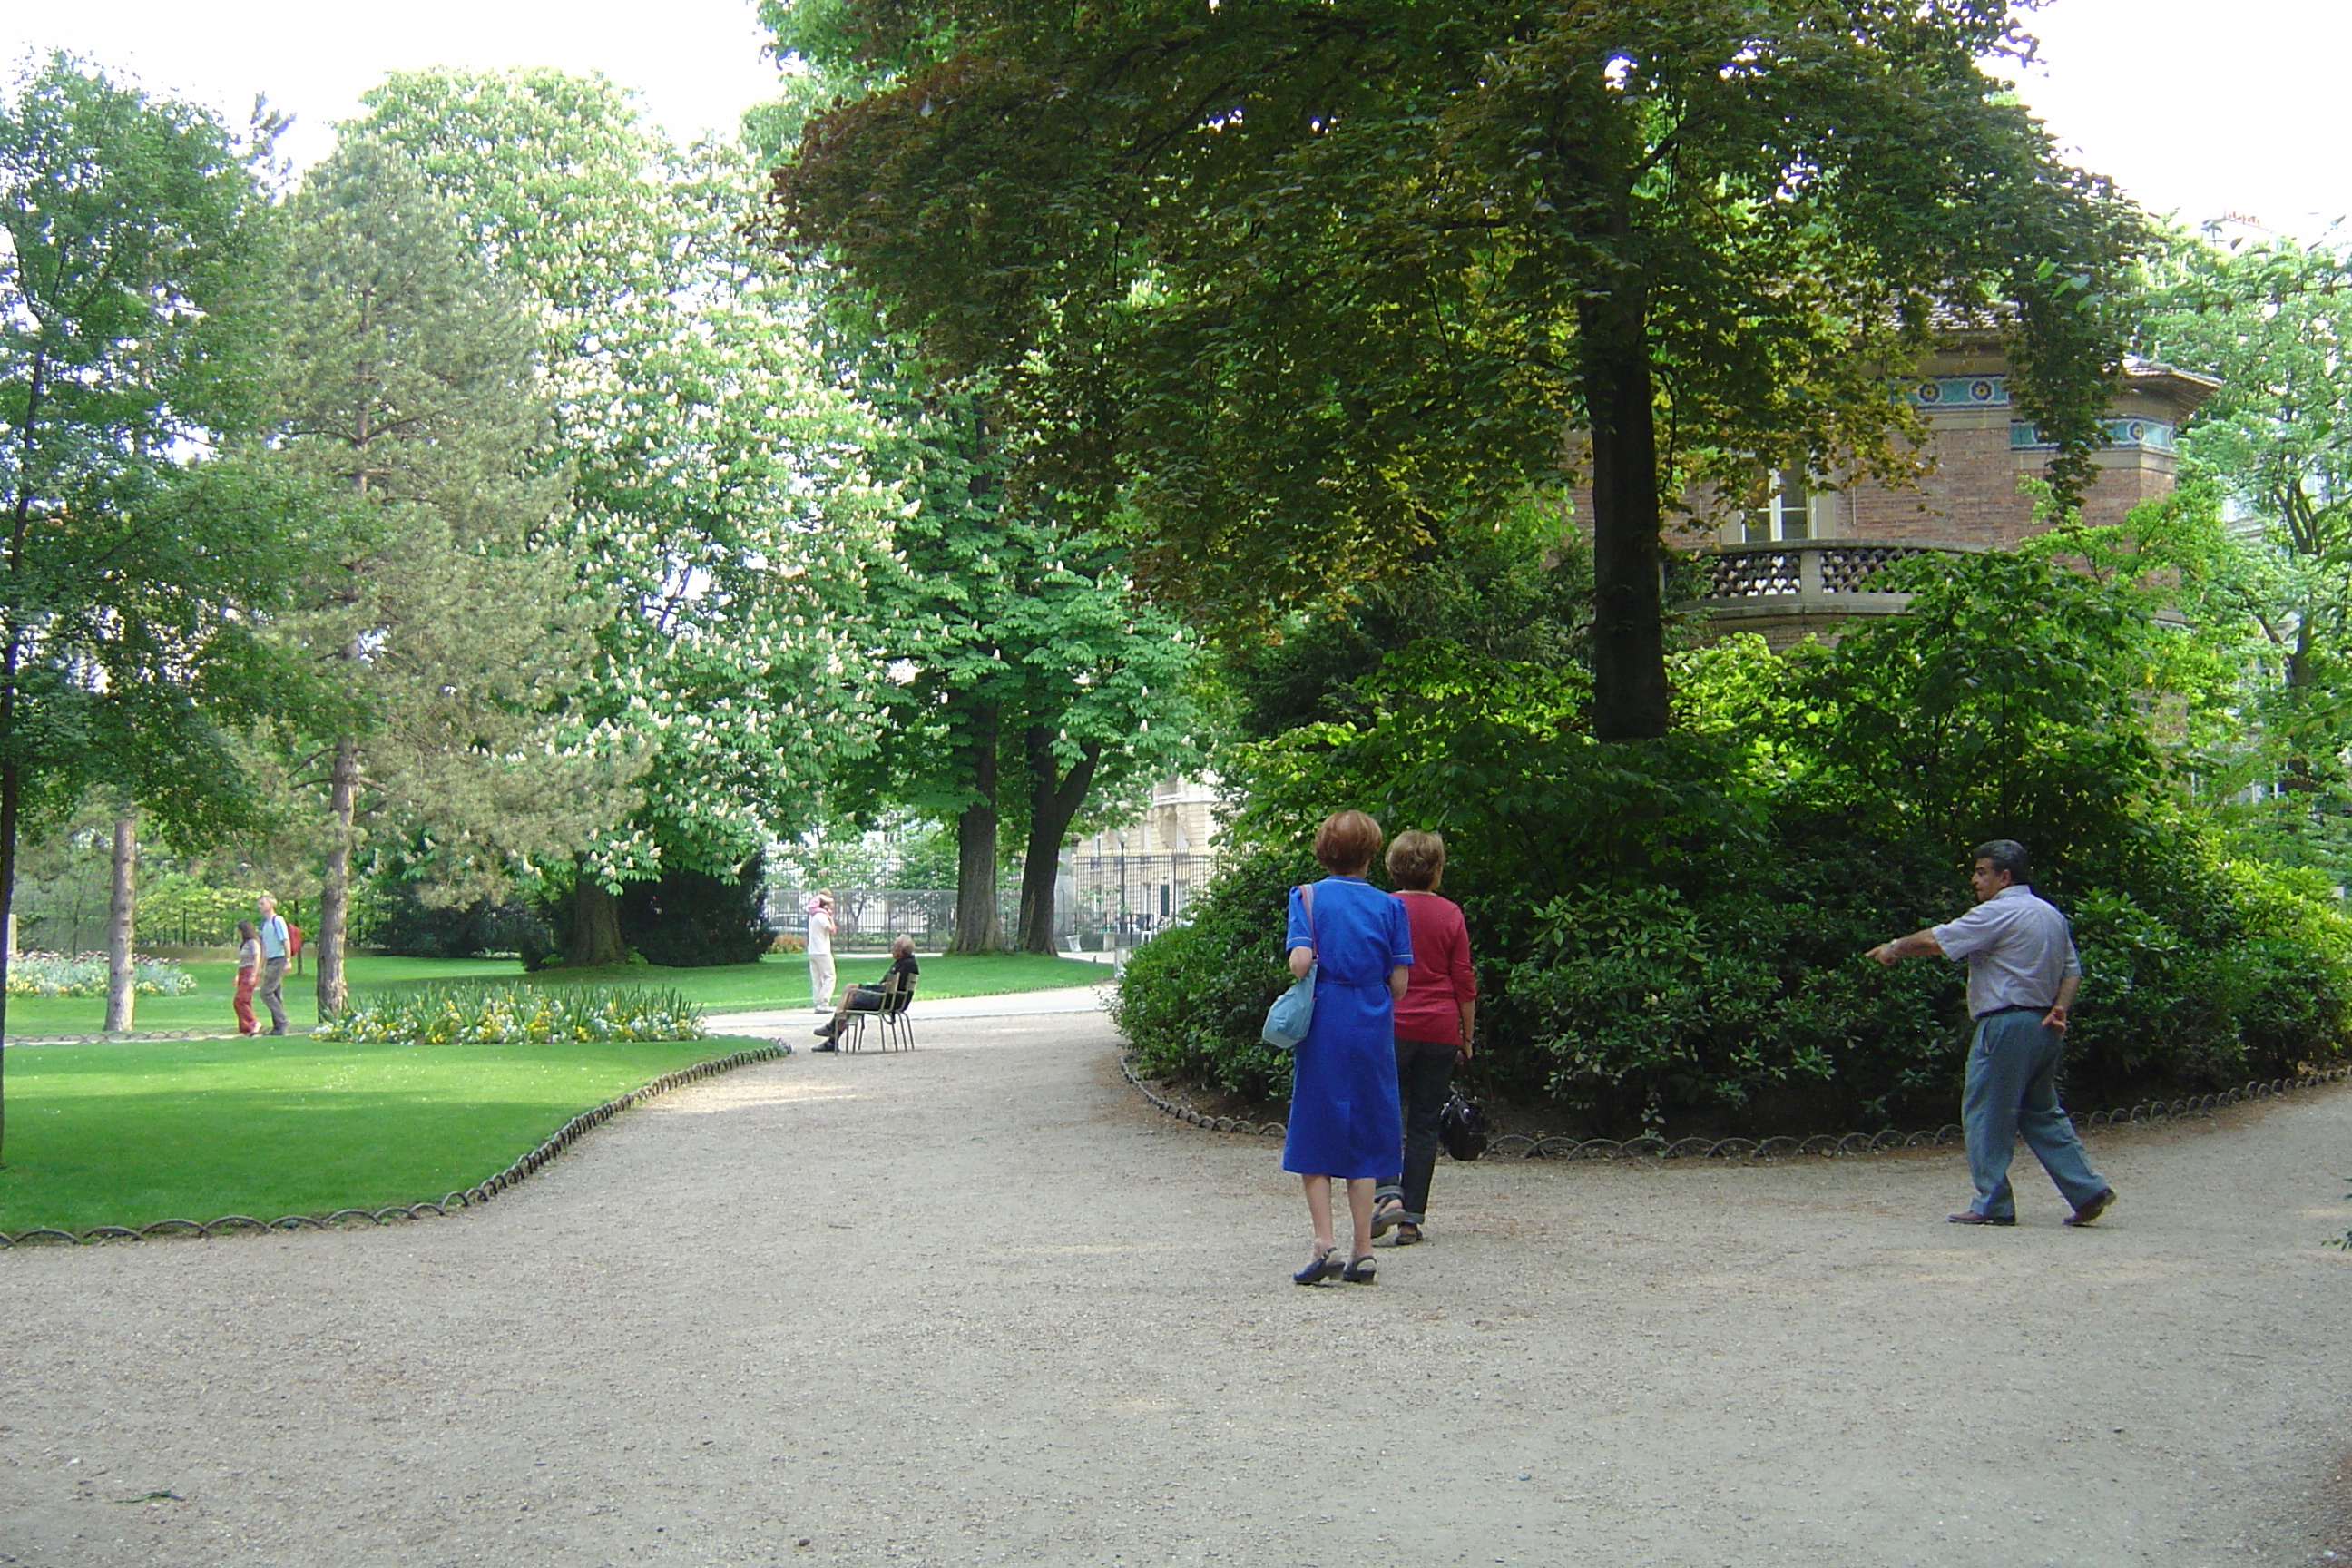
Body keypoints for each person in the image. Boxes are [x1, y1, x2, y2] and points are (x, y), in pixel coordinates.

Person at [1868, 839, 2116, 1228]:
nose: (1974, 880)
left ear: (2004, 876)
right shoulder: (2049, 914)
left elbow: (1937, 940)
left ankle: (1992, 1202)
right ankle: (2087, 1190)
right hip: (2044, 1025)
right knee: (2041, 1112)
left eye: (1982, 872)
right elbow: (2073, 970)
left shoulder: (1999, 911)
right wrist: (2061, 1008)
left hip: (2003, 1024)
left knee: (1985, 1112)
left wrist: (1894, 947)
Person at [1283, 809, 1413, 1286]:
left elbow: (1299, 963)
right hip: (1372, 1020)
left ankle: (1324, 1243)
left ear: (1323, 851)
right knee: (1367, 1126)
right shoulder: (1391, 907)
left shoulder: (1308, 897)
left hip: (1325, 1017)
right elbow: (1399, 984)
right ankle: (1364, 1247)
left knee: (1316, 1125)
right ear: (1372, 853)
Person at [1371, 830, 1476, 1249]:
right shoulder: (1450, 913)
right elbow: (1463, 979)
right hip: (1439, 1026)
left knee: (1384, 1113)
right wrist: (1466, 1035)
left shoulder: (1382, 907)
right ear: (1436, 872)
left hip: (1391, 1024)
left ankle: (1387, 1193)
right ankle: (1411, 1218)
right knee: (1425, 1123)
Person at [812, 935, 919, 1051]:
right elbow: (887, 986)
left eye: (894, 947)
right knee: (850, 992)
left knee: (851, 992)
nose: (891, 949)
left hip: (886, 1001)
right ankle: (832, 1036)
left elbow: (888, 987)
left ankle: (833, 1030)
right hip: (889, 999)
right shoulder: (906, 962)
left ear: (901, 950)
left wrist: (869, 988)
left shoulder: (905, 965)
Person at [255, 896, 291, 1036]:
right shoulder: (265, 924)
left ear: (271, 904)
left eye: (262, 903)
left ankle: (282, 1021)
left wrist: (287, 960)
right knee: (275, 993)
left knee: (266, 992)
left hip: (278, 959)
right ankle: (278, 1028)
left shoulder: (278, 920)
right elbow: (264, 947)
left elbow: (285, 941)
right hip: (270, 960)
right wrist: (260, 967)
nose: (260, 905)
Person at [805, 893, 838, 1014]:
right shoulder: (822, 916)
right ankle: (823, 1001)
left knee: (817, 978)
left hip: (812, 950)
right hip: (822, 951)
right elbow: (832, 930)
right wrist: (831, 918)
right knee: (830, 976)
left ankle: (817, 1002)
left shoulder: (812, 916)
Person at [231, 919, 261, 1036]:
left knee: (240, 999)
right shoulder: (244, 944)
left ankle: (253, 1022)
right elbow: (241, 961)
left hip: (250, 970)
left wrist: (254, 974)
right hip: (243, 971)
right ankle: (246, 1028)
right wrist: (237, 976)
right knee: (245, 1000)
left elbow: (257, 957)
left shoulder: (253, 943)